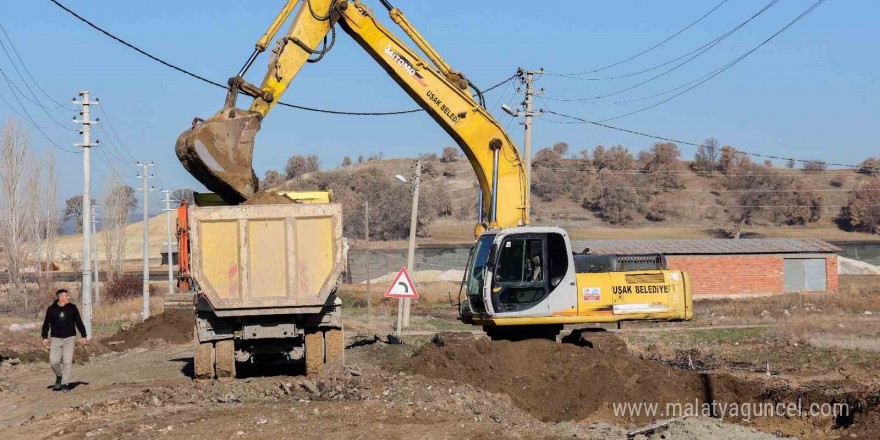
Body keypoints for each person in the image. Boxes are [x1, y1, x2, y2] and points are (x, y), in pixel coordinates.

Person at [41, 289, 87, 392]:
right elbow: (46, 324)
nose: (69, 297)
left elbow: (79, 322)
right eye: (67, 296)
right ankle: (59, 376)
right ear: (60, 298)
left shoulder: (73, 308)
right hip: (56, 339)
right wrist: (44, 337)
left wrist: (84, 335)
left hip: (69, 339)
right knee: (53, 362)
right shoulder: (51, 309)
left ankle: (65, 384)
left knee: (67, 362)